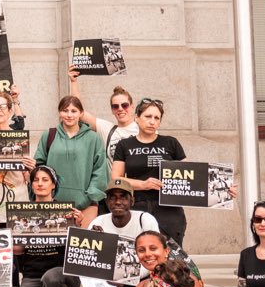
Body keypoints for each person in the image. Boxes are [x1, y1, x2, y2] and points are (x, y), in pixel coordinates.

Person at [110, 98, 188, 245]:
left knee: (171, 258)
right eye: (148, 116)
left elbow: (192, 177)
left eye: (156, 118)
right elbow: (116, 179)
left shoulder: (171, 143)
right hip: (137, 206)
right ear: (137, 118)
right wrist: (143, 184)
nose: (152, 121)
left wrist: (224, 191)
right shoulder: (124, 145)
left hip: (169, 210)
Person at [88, 178, 160, 287]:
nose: (117, 201)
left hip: (141, 276)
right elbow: (89, 258)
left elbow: (156, 257)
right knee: (88, 267)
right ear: (107, 202)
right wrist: (93, 239)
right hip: (110, 278)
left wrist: (126, 277)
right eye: (112, 197)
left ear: (132, 200)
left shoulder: (145, 220)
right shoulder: (98, 222)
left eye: (123, 197)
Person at [14, 165, 82, 287]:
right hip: (33, 276)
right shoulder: (21, 214)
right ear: (31, 185)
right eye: (35, 180)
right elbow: (18, 250)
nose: (40, 184)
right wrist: (17, 237)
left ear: (53, 185)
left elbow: (78, 250)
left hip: (61, 275)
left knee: (51, 278)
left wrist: (78, 225)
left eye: (45, 180)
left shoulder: (67, 213)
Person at [32, 96, 108, 228]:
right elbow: (39, 166)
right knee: (56, 247)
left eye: (74, 111)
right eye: (65, 110)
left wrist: (89, 197)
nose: (69, 115)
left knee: (79, 245)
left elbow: (100, 169)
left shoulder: (93, 138)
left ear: (81, 113)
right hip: (52, 205)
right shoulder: (49, 135)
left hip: (85, 206)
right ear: (59, 113)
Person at [68, 67, 138, 159]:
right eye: (115, 106)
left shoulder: (143, 129)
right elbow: (79, 111)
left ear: (132, 106)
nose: (120, 109)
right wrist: (73, 82)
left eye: (124, 105)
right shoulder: (107, 129)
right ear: (112, 110)